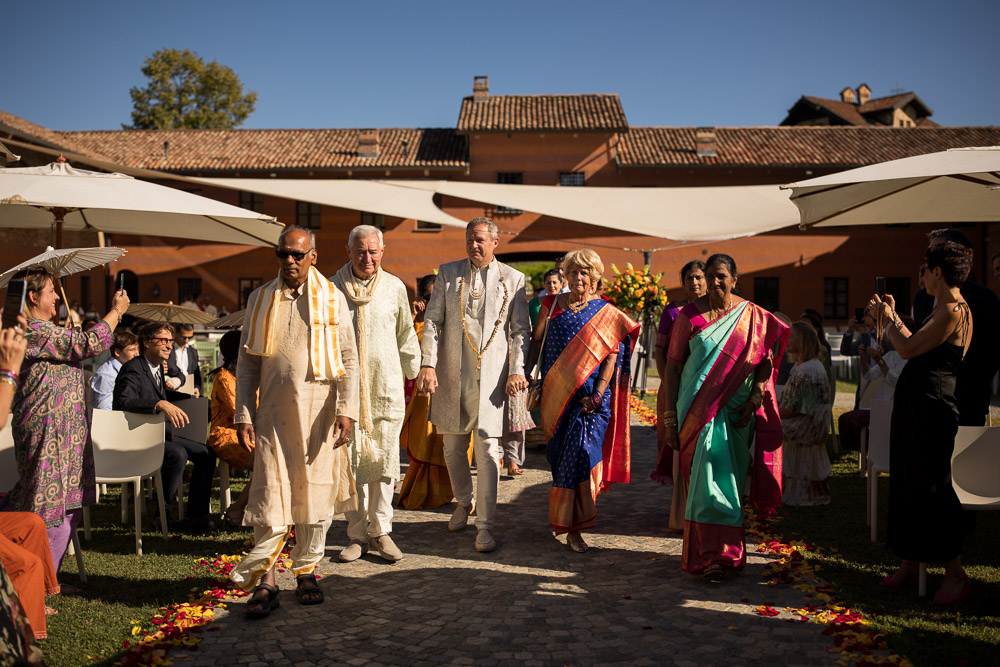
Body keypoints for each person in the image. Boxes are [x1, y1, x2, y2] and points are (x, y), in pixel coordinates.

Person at [229, 226, 359, 616]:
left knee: (313, 495)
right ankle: (266, 582)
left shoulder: (333, 298)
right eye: (282, 254)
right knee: (270, 493)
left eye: (297, 255)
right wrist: (243, 413)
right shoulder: (260, 298)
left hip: (319, 413)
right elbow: (248, 362)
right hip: (270, 414)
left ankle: (306, 572)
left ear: (313, 257)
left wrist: (347, 409)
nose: (289, 261)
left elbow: (349, 359)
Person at [661, 254, 788, 580]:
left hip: (737, 415)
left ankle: (730, 554)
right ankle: (708, 557)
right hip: (696, 415)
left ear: (734, 279)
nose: (715, 282)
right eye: (711, 276)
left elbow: (766, 360)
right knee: (704, 482)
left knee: (729, 485)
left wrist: (756, 396)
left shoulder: (753, 316)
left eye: (721, 276)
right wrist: (670, 417)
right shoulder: (688, 316)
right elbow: (673, 367)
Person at [0, 271, 128, 591]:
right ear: (33, 297)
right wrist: (117, 311)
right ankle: (29, 584)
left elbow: (74, 348)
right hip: (47, 432)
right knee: (42, 508)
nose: (57, 297)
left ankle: (47, 580)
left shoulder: (48, 330)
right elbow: (88, 343)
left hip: (69, 433)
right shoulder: (31, 329)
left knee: (69, 507)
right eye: (51, 292)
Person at [415, 217, 530, 553]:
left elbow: (520, 331)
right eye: (469, 239)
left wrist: (516, 369)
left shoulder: (514, 278)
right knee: (452, 448)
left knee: (488, 451)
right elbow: (433, 321)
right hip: (453, 375)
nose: (473, 245)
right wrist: (427, 363)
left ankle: (485, 525)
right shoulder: (449, 274)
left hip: (493, 381)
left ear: (496, 241)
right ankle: (463, 502)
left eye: (480, 239)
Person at [873, 240, 974, 604]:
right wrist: (895, 317)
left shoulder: (953, 310)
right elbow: (914, 342)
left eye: (926, 269)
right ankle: (910, 561)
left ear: (937, 272)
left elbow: (908, 349)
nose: (923, 275)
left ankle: (955, 572)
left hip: (932, 409)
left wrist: (887, 322)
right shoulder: (941, 307)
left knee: (933, 488)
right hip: (917, 406)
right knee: (908, 482)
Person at [525, 249, 638, 552]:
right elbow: (536, 342)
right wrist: (525, 374)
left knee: (582, 456)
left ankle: (575, 528)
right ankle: (564, 518)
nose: (578, 278)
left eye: (584, 273)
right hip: (556, 398)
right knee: (561, 460)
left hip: (591, 400)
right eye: (573, 272)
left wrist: (599, 392)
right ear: (565, 274)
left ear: (594, 278)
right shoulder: (549, 306)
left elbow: (613, 355)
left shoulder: (604, 312)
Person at [333, 225, 420, 563]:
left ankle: (381, 531)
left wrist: (419, 371)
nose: (366, 258)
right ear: (348, 250)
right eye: (360, 251)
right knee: (352, 464)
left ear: (382, 251)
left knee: (384, 463)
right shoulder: (332, 288)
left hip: (385, 389)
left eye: (373, 251)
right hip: (345, 392)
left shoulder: (395, 287)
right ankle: (356, 535)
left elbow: (405, 333)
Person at [113, 322, 217, 533]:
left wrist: (192, 400)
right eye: (163, 340)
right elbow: (124, 401)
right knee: (177, 453)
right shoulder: (132, 369)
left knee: (207, 452)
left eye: (170, 341)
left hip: (158, 431)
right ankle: (162, 515)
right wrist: (157, 404)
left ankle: (196, 516)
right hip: (137, 435)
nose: (169, 345)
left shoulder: (157, 367)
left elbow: (164, 395)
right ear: (146, 342)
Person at [398, 275, 473, 510]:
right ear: (421, 299)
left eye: (437, 298)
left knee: (447, 447)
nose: (433, 303)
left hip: (450, 395)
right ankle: (420, 492)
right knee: (423, 443)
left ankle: (450, 494)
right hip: (421, 400)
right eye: (428, 298)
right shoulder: (416, 327)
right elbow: (399, 350)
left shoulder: (456, 324)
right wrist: (410, 318)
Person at [651, 260, 706, 532]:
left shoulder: (718, 312)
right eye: (689, 278)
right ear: (683, 282)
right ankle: (681, 513)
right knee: (680, 446)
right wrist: (669, 384)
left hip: (707, 389)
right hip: (676, 387)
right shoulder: (673, 312)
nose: (694, 283)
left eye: (699, 277)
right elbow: (659, 351)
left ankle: (705, 509)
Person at [927, 229, 1000, 426]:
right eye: (930, 250)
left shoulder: (983, 298)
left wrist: (972, 385)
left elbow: (993, 350)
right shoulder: (923, 297)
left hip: (967, 399)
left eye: (937, 249)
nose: (930, 255)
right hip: (926, 400)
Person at [779, 322, 832, 506]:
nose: (787, 339)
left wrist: (768, 415)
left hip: (808, 427)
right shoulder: (803, 366)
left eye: (791, 336)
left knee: (760, 427)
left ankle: (765, 486)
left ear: (802, 341)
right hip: (809, 422)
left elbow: (792, 410)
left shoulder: (807, 370)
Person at [206, 331, 251, 527]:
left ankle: (243, 509)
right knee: (267, 465)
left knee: (278, 462)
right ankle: (238, 508)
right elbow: (238, 410)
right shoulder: (224, 378)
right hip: (227, 434)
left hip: (251, 432)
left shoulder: (247, 375)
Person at [89, 331, 140, 410]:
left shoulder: (131, 369)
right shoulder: (107, 375)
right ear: (117, 352)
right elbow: (104, 409)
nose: (137, 354)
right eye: (132, 350)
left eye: (137, 349)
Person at [171, 323, 202, 397]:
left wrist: (196, 388)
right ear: (175, 334)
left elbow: (196, 374)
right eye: (183, 337)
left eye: (190, 337)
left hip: (190, 390)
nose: (186, 341)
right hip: (173, 390)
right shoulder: (168, 350)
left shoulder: (193, 352)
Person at [799, 308, 831, 373]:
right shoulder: (796, 347)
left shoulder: (822, 349)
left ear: (816, 329)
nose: (802, 330)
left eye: (806, 326)